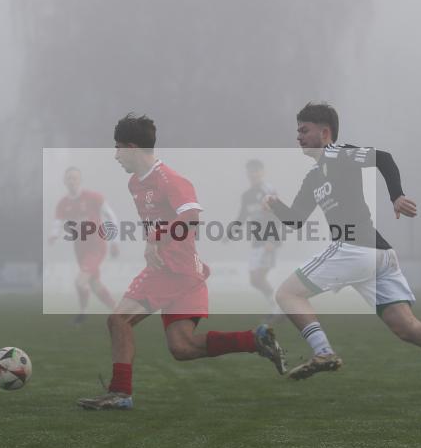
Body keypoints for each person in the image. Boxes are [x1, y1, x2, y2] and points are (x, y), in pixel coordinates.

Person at [265, 103, 421, 403]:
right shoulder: (313, 177)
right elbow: (296, 220)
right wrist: (274, 205)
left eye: (304, 130)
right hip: (376, 255)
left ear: (325, 132)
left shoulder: (338, 153)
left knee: (287, 294)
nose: (299, 137)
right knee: (406, 327)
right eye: (298, 132)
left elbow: (383, 158)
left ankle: (323, 352)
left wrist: (396, 196)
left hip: (355, 248)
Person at [76, 114, 287, 410]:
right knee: (182, 347)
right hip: (183, 271)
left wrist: (156, 241)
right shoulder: (136, 183)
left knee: (118, 320)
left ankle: (120, 392)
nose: (115, 156)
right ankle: (255, 340)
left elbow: (190, 218)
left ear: (133, 148)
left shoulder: (170, 180)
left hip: (173, 269)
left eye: (119, 148)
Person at [48, 166, 120, 325]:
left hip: (96, 246)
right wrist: (54, 235)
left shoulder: (93, 197)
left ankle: (82, 314)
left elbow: (111, 216)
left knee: (80, 281)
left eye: (74, 178)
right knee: (94, 284)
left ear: (80, 180)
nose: (72, 181)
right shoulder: (63, 203)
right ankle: (118, 311)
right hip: (79, 247)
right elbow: (58, 221)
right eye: (69, 178)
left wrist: (115, 241)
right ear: (65, 182)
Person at [231, 159, 282, 319]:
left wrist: (272, 240)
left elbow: (277, 215)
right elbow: (242, 216)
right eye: (250, 171)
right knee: (254, 280)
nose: (253, 174)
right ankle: (280, 308)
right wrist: (232, 232)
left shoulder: (268, 191)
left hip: (268, 241)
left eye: (256, 170)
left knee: (259, 276)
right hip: (256, 242)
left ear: (262, 172)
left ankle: (278, 310)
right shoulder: (247, 195)